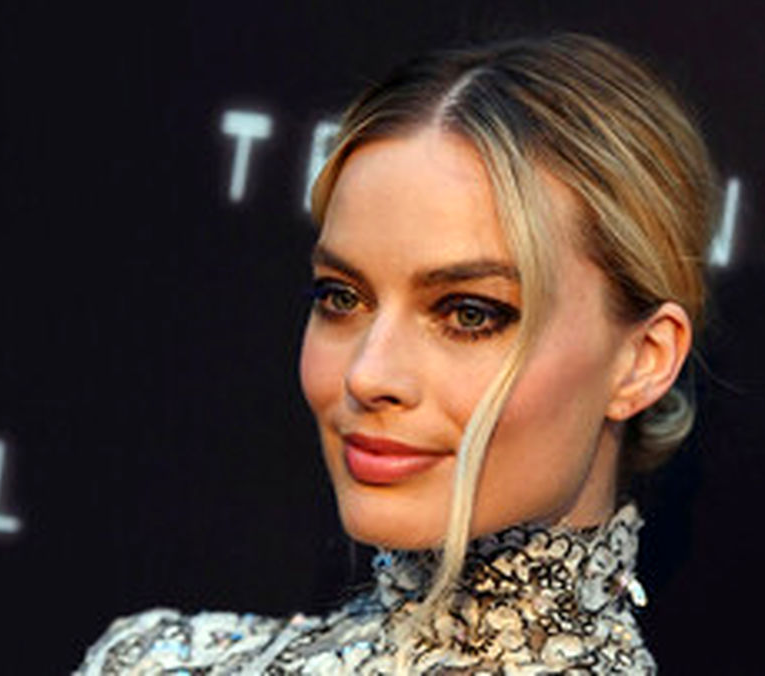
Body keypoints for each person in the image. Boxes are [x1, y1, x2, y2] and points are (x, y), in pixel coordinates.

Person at [76, 32, 717, 675]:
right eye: (341, 297)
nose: (367, 375)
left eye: (470, 314)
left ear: (643, 360)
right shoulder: (152, 662)